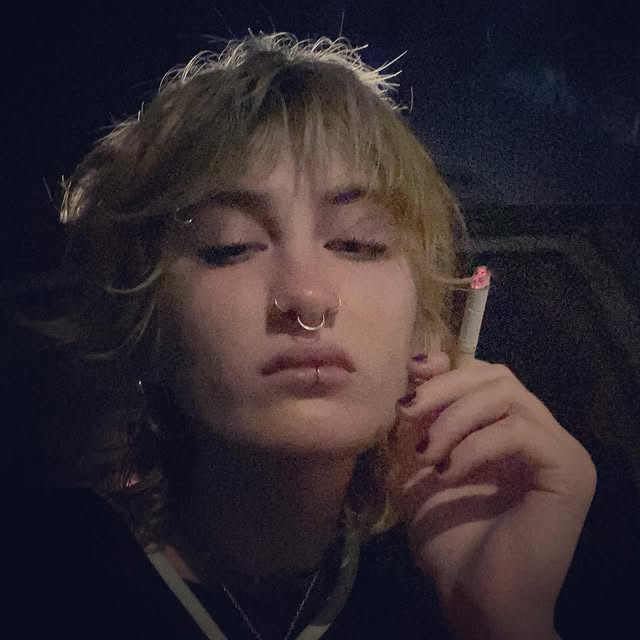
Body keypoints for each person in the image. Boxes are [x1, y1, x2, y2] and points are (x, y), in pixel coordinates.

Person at [8, 32, 639, 640]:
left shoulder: (512, 553)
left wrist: (500, 621)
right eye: (230, 247)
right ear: (143, 318)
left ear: (421, 320)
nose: (307, 298)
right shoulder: (40, 574)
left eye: (357, 243)